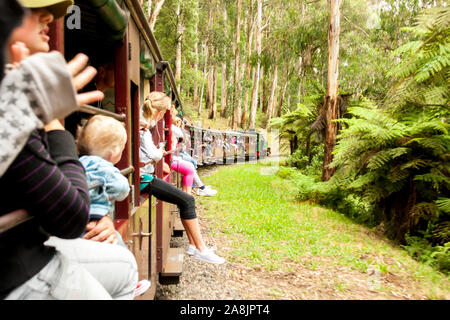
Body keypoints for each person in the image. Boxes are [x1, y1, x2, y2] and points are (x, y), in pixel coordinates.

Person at [1, 0, 138, 299]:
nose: (49, 16)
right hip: (16, 268)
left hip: (31, 245)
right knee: (126, 268)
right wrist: (50, 121)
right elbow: (70, 215)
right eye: (27, 9)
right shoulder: (16, 100)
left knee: (124, 263)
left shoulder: (15, 93)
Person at [140, 91, 225, 264]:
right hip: (144, 180)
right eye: (164, 113)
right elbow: (153, 154)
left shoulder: (143, 125)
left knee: (186, 200)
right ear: (159, 112)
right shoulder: (144, 129)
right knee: (187, 200)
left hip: (145, 176)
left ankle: (195, 246)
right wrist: (159, 151)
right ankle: (200, 248)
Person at [76, 114, 151, 296]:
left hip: (76, 220)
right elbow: (122, 189)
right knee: (120, 249)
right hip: (96, 220)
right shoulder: (105, 167)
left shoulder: (76, 163)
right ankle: (130, 283)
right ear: (114, 153)